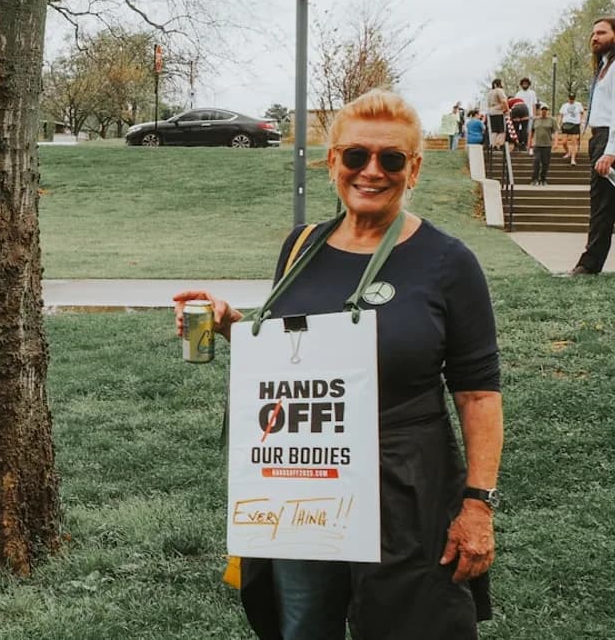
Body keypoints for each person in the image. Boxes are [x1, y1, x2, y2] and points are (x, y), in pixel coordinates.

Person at [174, 89, 503, 639]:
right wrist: (233, 323)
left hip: (405, 486)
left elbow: (478, 395)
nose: (371, 171)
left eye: (391, 159)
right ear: (332, 163)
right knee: (303, 627)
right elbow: (296, 352)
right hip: (306, 484)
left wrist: (477, 505)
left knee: (408, 626)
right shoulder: (302, 245)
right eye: (355, 156)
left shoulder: (449, 263)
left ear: (413, 168)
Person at [570, 17, 615, 276]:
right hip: (598, 137)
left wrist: (610, 150)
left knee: (602, 205)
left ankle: (589, 264)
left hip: (608, 139)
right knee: (603, 204)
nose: (595, 37)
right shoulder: (603, 67)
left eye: (601, 32)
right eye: (593, 33)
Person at [530, 105, 557, 185]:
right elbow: (531, 132)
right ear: (540, 111)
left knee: (545, 163)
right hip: (537, 144)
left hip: (547, 145)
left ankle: (543, 179)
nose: (544, 111)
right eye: (542, 110)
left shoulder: (551, 120)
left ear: (547, 111)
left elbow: (555, 131)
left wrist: (555, 143)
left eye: (545, 110)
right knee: (536, 161)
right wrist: (529, 143)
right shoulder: (535, 120)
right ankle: (534, 179)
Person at [559, 92, 585, 165]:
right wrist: (559, 123)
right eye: (570, 98)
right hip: (565, 124)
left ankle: (573, 159)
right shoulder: (564, 105)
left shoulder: (578, 104)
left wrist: (582, 122)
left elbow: (582, 113)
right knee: (564, 141)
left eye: (572, 98)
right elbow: (561, 115)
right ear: (568, 98)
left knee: (574, 142)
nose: (571, 100)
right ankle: (568, 152)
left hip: (575, 124)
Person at [513, 78, 537, 153]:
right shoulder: (518, 93)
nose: (525, 85)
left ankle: (526, 145)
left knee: (527, 130)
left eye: (526, 83)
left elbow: (534, 104)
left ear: (528, 84)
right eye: (523, 84)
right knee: (519, 129)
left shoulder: (532, 93)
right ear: (521, 85)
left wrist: (534, 114)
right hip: (520, 114)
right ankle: (518, 145)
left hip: (529, 114)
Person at [485, 79, 510, 147]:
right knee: (502, 131)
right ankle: (499, 144)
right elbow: (504, 101)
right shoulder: (499, 90)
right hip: (499, 112)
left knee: (494, 131)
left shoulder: (490, 93)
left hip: (491, 112)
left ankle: (493, 145)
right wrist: (507, 110)